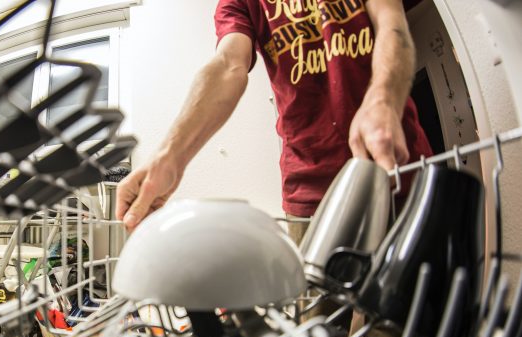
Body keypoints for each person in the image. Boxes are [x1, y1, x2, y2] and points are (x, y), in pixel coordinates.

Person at [115, 0, 432, 236]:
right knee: (316, 325)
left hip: (397, 169)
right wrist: (170, 156)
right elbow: (228, 65)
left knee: (407, 319)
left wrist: (382, 99)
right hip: (309, 195)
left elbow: (391, 23)